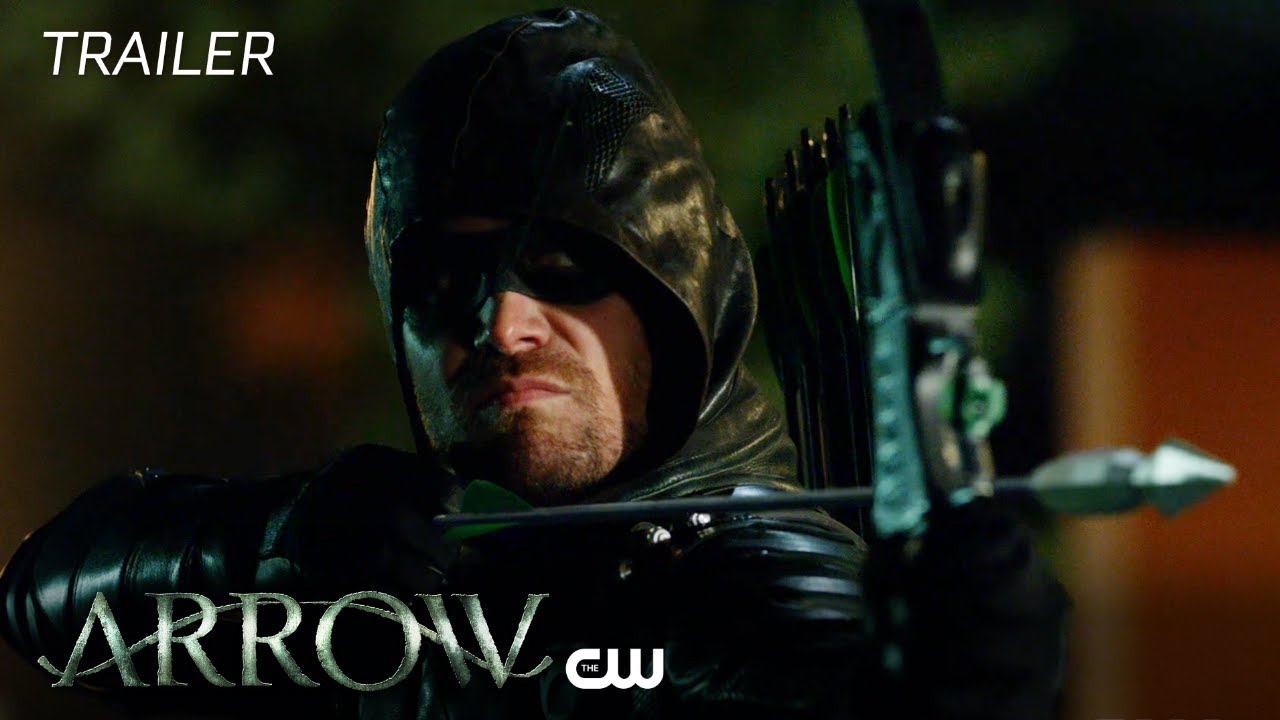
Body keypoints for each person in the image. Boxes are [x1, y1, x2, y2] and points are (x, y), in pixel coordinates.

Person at [0, 8, 1067, 719]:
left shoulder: (755, 587)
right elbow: (46, 609)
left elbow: (836, 668)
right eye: (445, 283)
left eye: (562, 269)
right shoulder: (404, 581)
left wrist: (958, 663)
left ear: (675, 296)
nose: (505, 322)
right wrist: (278, 543)